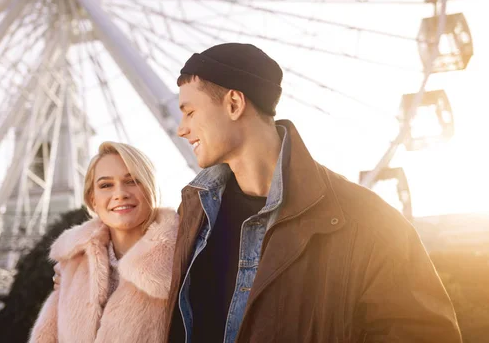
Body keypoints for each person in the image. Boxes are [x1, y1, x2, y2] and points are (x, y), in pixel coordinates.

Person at [164, 43, 462, 342]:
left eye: (189, 112)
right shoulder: (193, 210)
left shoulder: (368, 222)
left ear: (233, 104)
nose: (181, 129)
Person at [29, 141, 177, 343]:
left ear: (150, 188)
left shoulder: (182, 260)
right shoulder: (72, 267)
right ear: (93, 200)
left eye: (132, 181)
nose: (120, 194)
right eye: (106, 185)